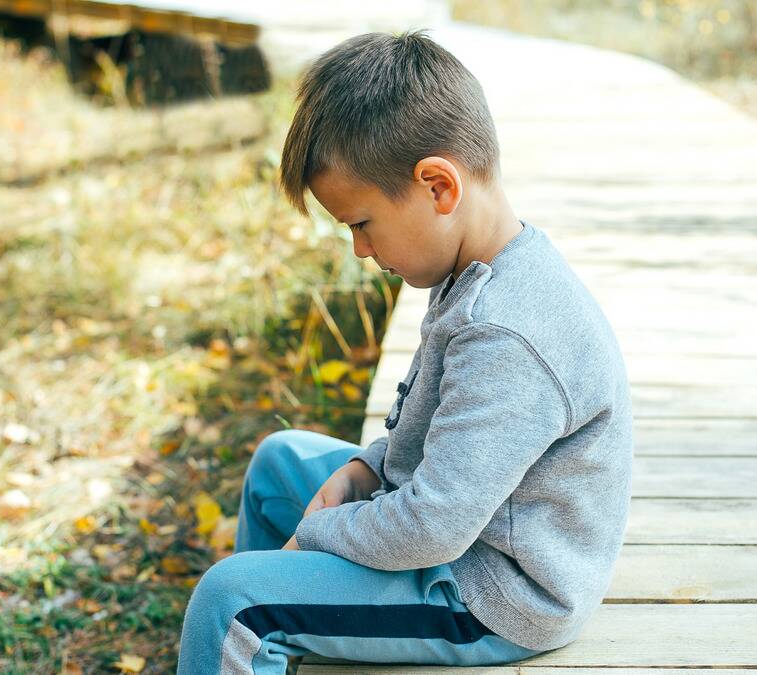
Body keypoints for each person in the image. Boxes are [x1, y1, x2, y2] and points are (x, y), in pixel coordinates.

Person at [176, 29, 633, 674]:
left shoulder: (509, 332)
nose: (360, 250)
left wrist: (316, 535)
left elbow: (433, 526)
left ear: (438, 187)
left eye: (361, 224)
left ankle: (259, 627)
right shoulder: (477, 269)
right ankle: (268, 647)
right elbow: (436, 432)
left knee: (232, 599)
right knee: (280, 461)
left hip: (493, 593)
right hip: (463, 530)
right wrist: (368, 467)